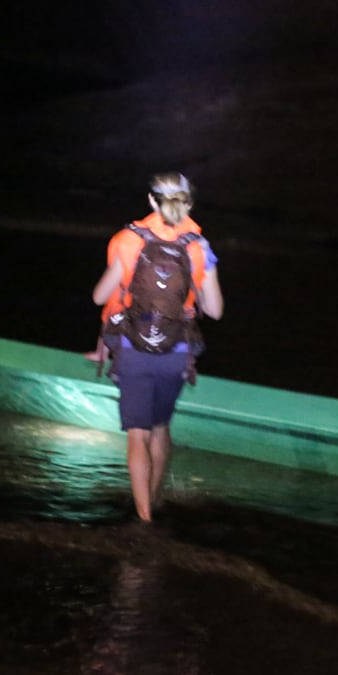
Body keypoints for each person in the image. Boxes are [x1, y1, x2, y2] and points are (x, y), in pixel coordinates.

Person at [92, 173, 224, 523]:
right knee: (161, 427)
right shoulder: (199, 248)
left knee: (138, 434)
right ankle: (155, 497)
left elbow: (101, 297)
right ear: (189, 203)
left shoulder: (127, 240)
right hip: (176, 350)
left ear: (151, 201)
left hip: (133, 348)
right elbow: (214, 310)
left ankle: (144, 518)